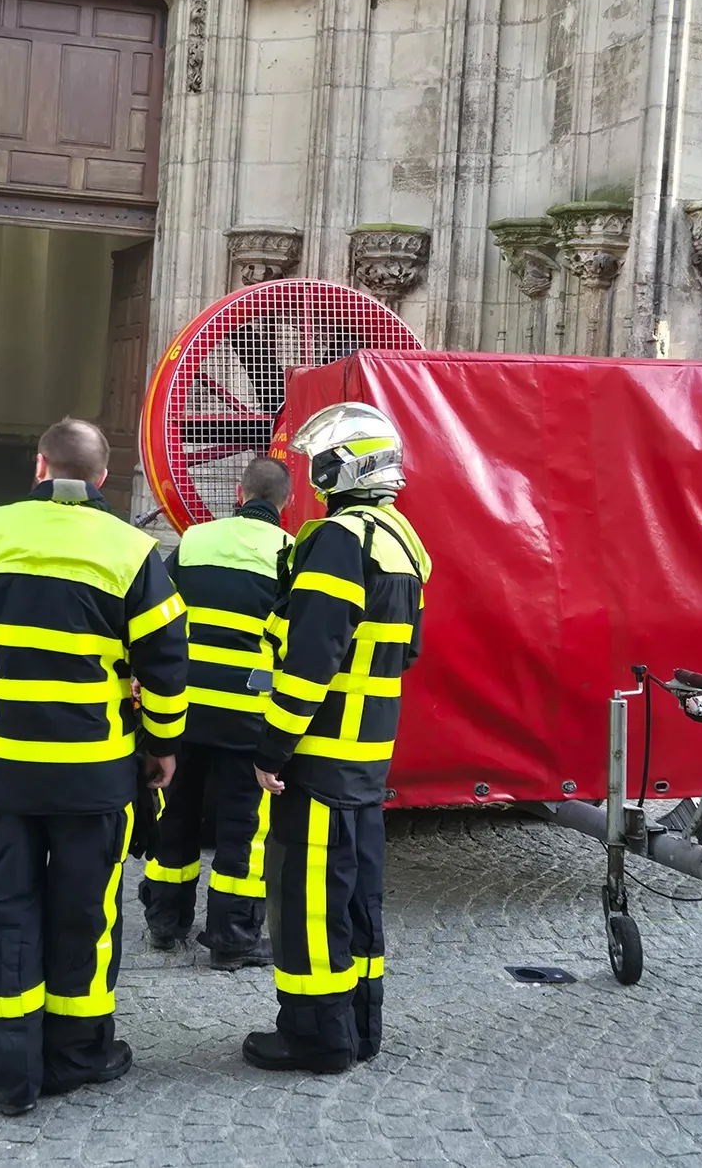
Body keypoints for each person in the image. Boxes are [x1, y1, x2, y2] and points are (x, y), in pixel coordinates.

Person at [0, 417, 188, 1116]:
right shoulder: (133, 549)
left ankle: (1, 1067)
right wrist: (162, 744)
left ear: (40, 466)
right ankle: (79, 1052)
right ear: (99, 477)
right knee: (88, 911)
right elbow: (164, 666)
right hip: (92, 774)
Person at [242, 403, 431, 1076]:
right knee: (354, 895)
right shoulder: (401, 540)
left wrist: (273, 746)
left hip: (319, 756)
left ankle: (316, 1039)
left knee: (306, 901)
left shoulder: (336, 537)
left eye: (321, 458)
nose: (314, 469)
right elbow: (402, 653)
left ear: (343, 464)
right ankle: (359, 1026)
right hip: (367, 755)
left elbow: (311, 655)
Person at [139, 455, 293, 969]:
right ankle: (231, 937)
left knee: (176, 811)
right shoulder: (292, 554)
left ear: (239, 491)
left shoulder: (196, 540)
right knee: (241, 828)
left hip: (184, 710)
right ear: (285, 503)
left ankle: (165, 921)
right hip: (249, 715)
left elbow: (157, 616)